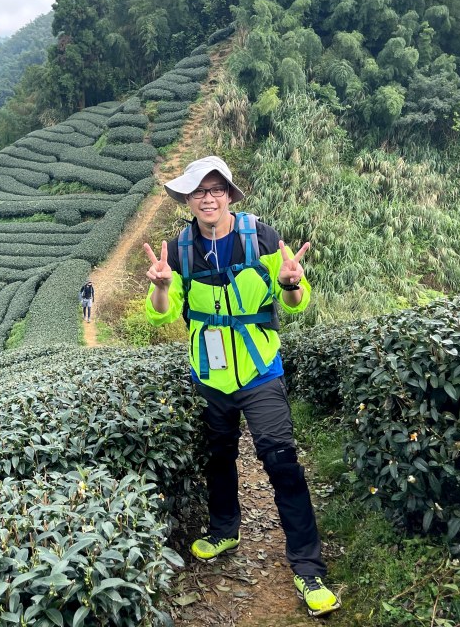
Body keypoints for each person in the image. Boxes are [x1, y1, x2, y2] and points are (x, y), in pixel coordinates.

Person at [142, 156, 340, 618]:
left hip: (260, 370)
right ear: (188, 200)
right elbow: (161, 315)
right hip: (210, 374)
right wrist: (163, 287)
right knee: (219, 456)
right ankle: (224, 530)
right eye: (198, 191)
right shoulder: (180, 250)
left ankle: (308, 567)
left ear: (229, 195)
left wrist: (292, 283)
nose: (207, 198)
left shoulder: (262, 238)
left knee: (282, 462)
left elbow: (295, 303)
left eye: (216, 189)